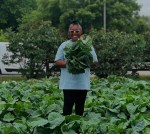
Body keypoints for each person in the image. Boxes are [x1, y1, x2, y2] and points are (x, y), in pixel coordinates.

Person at [54, 21, 98, 116]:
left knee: (80, 109)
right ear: (68, 33)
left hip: (82, 84)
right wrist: (70, 64)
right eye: (72, 31)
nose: (74, 33)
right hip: (68, 84)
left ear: (81, 32)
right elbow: (57, 61)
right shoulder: (64, 45)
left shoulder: (87, 45)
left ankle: (78, 129)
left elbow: (94, 61)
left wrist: (83, 63)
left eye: (77, 31)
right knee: (67, 109)